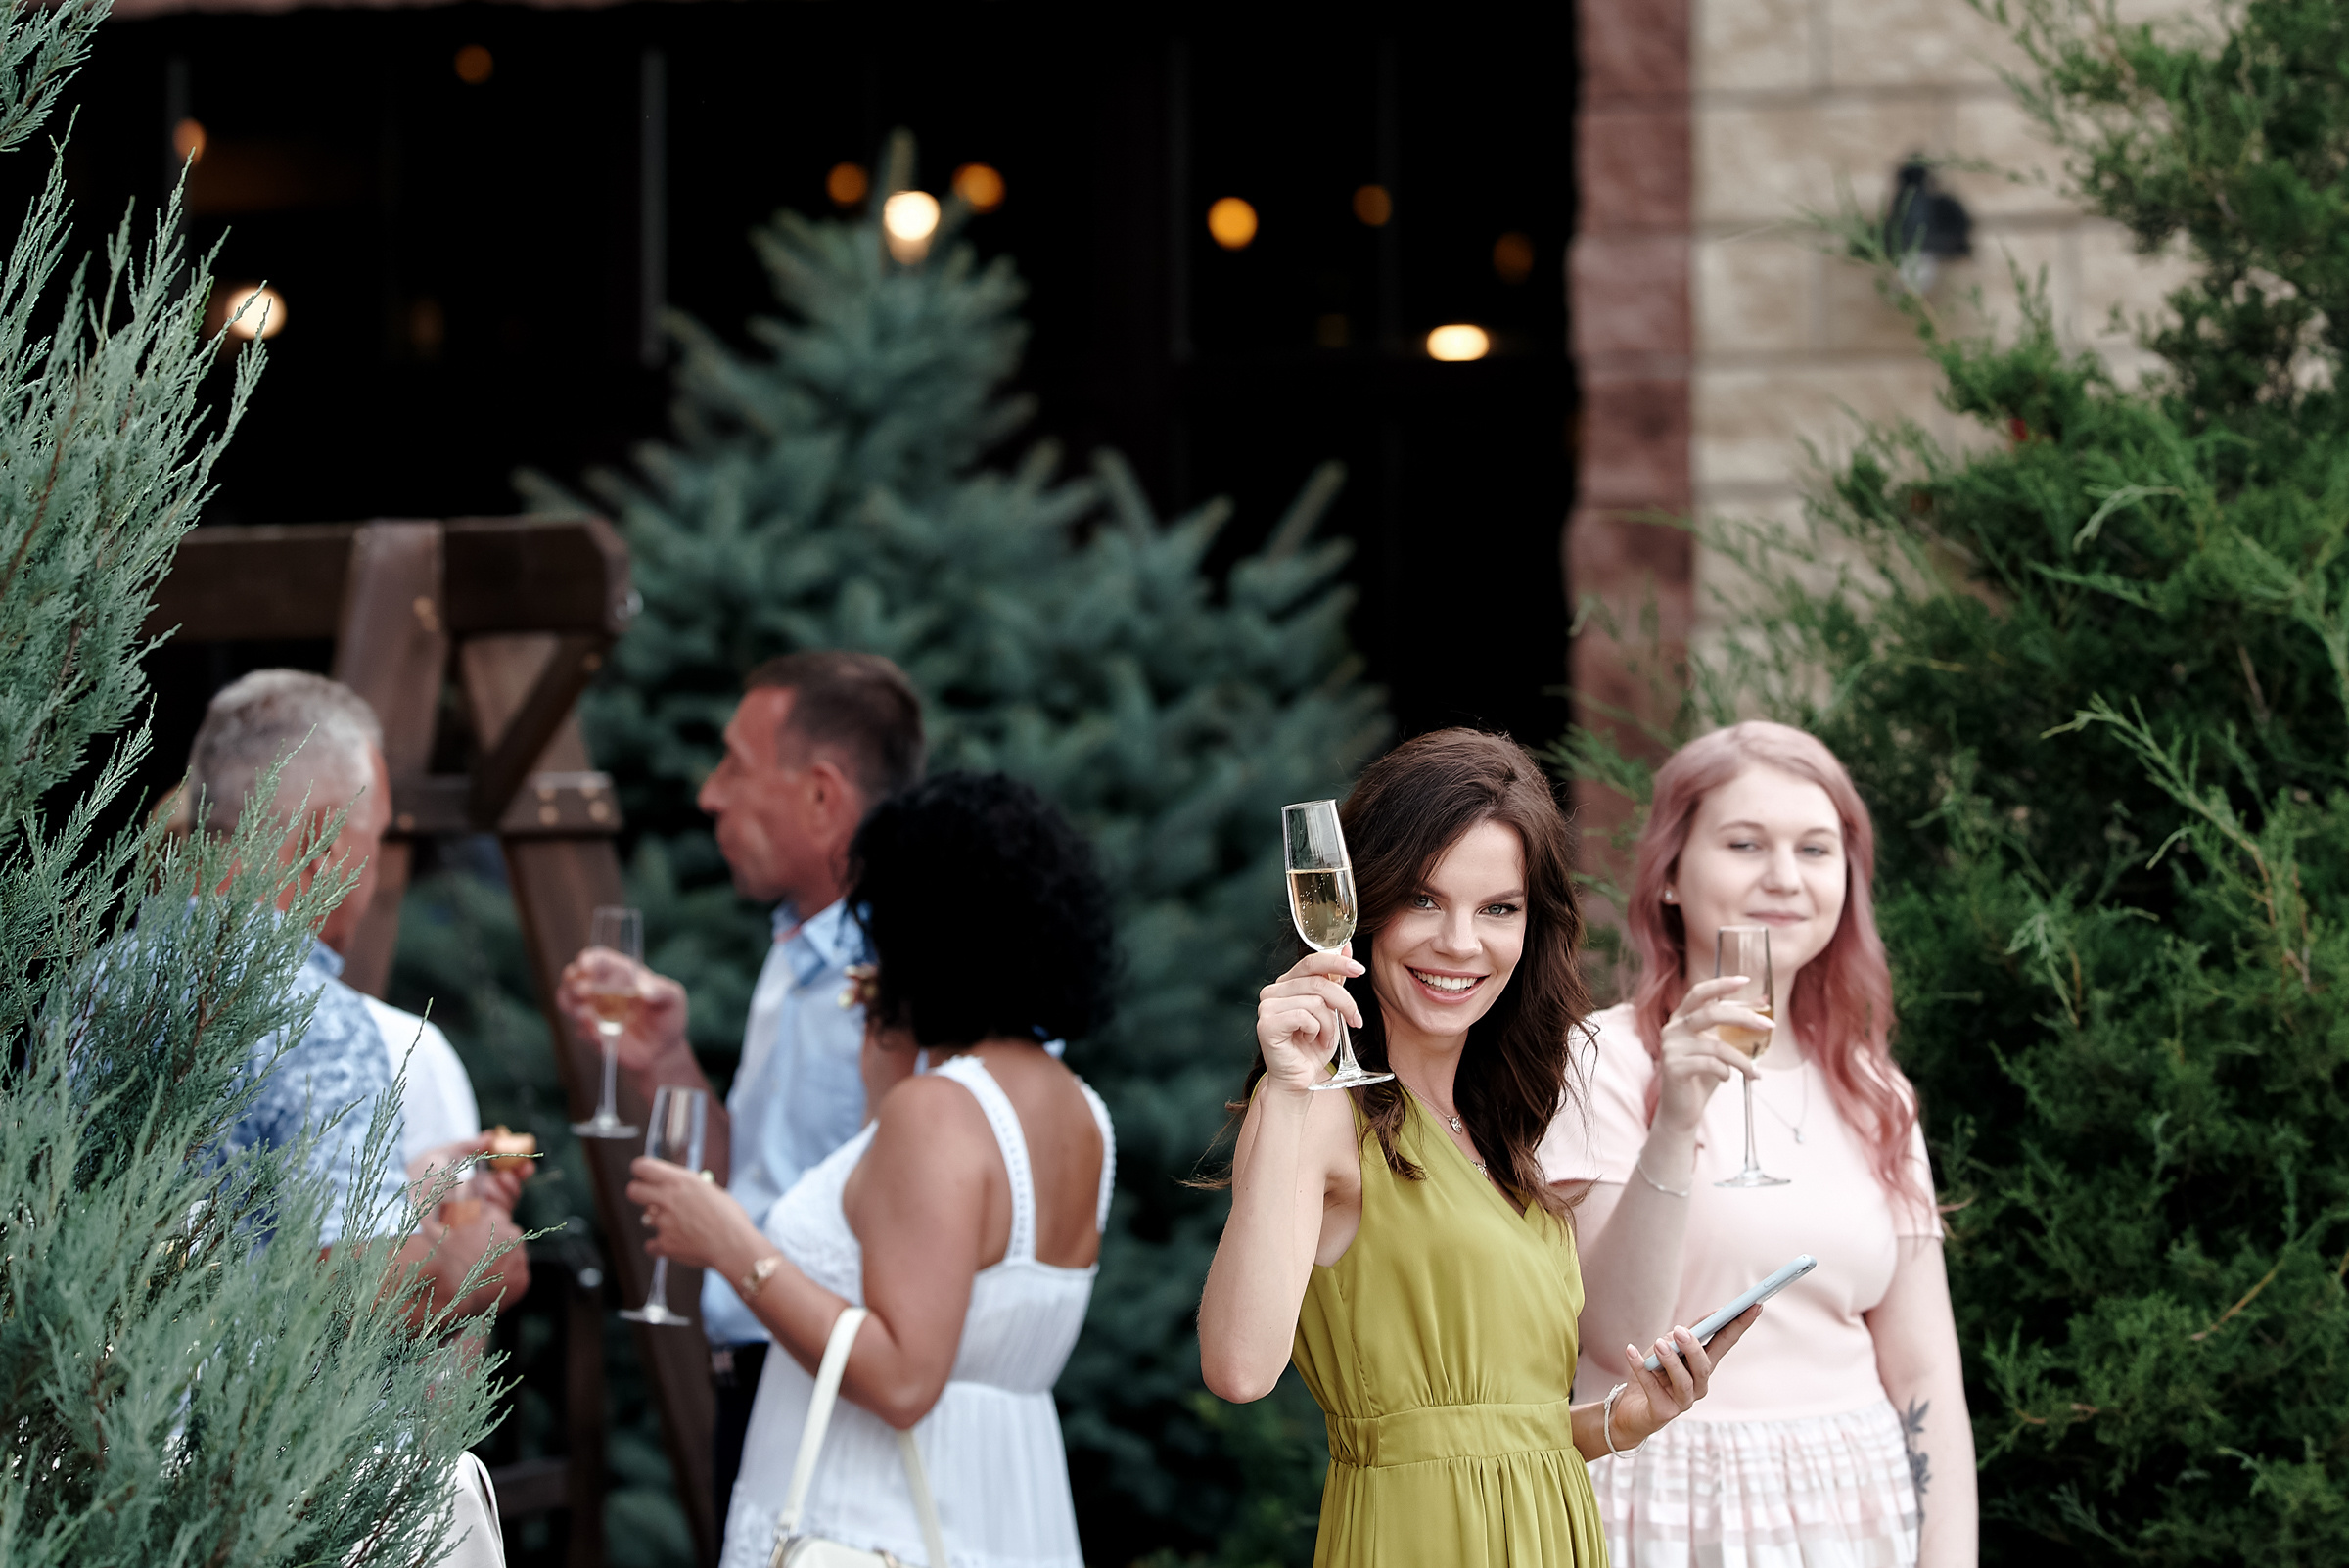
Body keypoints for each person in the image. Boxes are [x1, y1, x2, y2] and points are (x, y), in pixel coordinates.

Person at [1197, 729, 1755, 1567]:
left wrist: (1624, 1421)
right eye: (1424, 900)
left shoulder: (1505, 1129)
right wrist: (1285, 1087)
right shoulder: (1316, 1115)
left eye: (1498, 908)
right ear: (1362, 906)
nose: (1461, 943)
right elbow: (1239, 1369)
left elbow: (1501, 1428)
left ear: (1533, 925)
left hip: (1554, 1535)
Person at [625, 772, 1115, 1568]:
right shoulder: (1076, 1107)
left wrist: (730, 1245)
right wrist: (887, 1086)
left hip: (875, 1519)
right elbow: (921, 1265)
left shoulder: (939, 1112)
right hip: (1000, 1507)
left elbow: (902, 1378)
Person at [1543, 720, 1976, 1567]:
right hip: (1662, 1505)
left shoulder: (1874, 1091)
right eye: (1745, 843)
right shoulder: (1601, 1062)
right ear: (1670, 872)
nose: (1784, 877)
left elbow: (1925, 1376)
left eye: (1816, 850)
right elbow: (1614, 1338)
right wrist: (1677, 1119)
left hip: (1855, 1513)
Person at [553, 650, 926, 1514]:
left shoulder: (910, 976)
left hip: (842, 1393)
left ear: (823, 796)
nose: (709, 794)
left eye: (735, 764)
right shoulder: (795, 947)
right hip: (753, 1375)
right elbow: (762, 1181)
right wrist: (665, 1063)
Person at [182, 669, 530, 1320]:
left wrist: (407, 1189)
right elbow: (350, 1287)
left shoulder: (90, 986)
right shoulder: (315, 1019)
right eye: (372, 844)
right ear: (321, 845)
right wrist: (480, 1261)